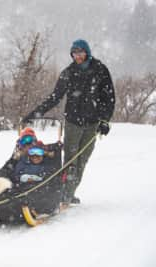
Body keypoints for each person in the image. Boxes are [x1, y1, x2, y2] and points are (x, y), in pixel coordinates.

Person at [22, 39, 115, 205]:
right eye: (74, 53)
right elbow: (55, 97)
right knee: (71, 160)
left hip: (92, 124)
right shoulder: (69, 72)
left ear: (87, 52)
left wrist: (105, 120)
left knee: (82, 160)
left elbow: (109, 98)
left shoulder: (100, 69)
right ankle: (64, 194)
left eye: (80, 52)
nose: (77, 56)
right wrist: (35, 113)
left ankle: (70, 192)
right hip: (73, 122)